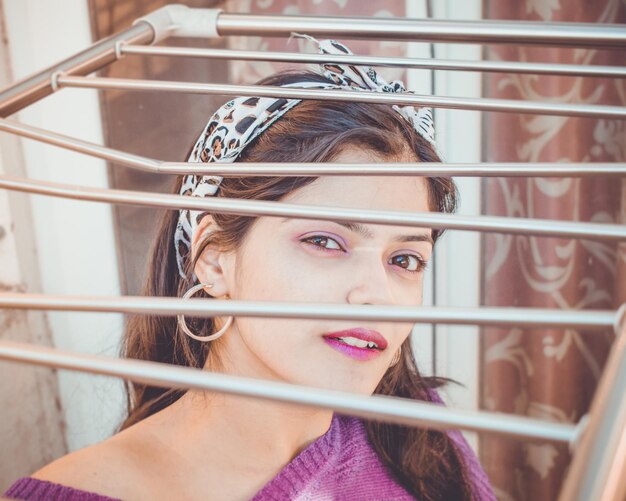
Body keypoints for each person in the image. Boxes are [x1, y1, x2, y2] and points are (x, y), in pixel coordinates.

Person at [4, 37, 496, 501]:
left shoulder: (418, 432)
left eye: (404, 260)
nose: (378, 294)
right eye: (324, 241)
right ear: (214, 259)